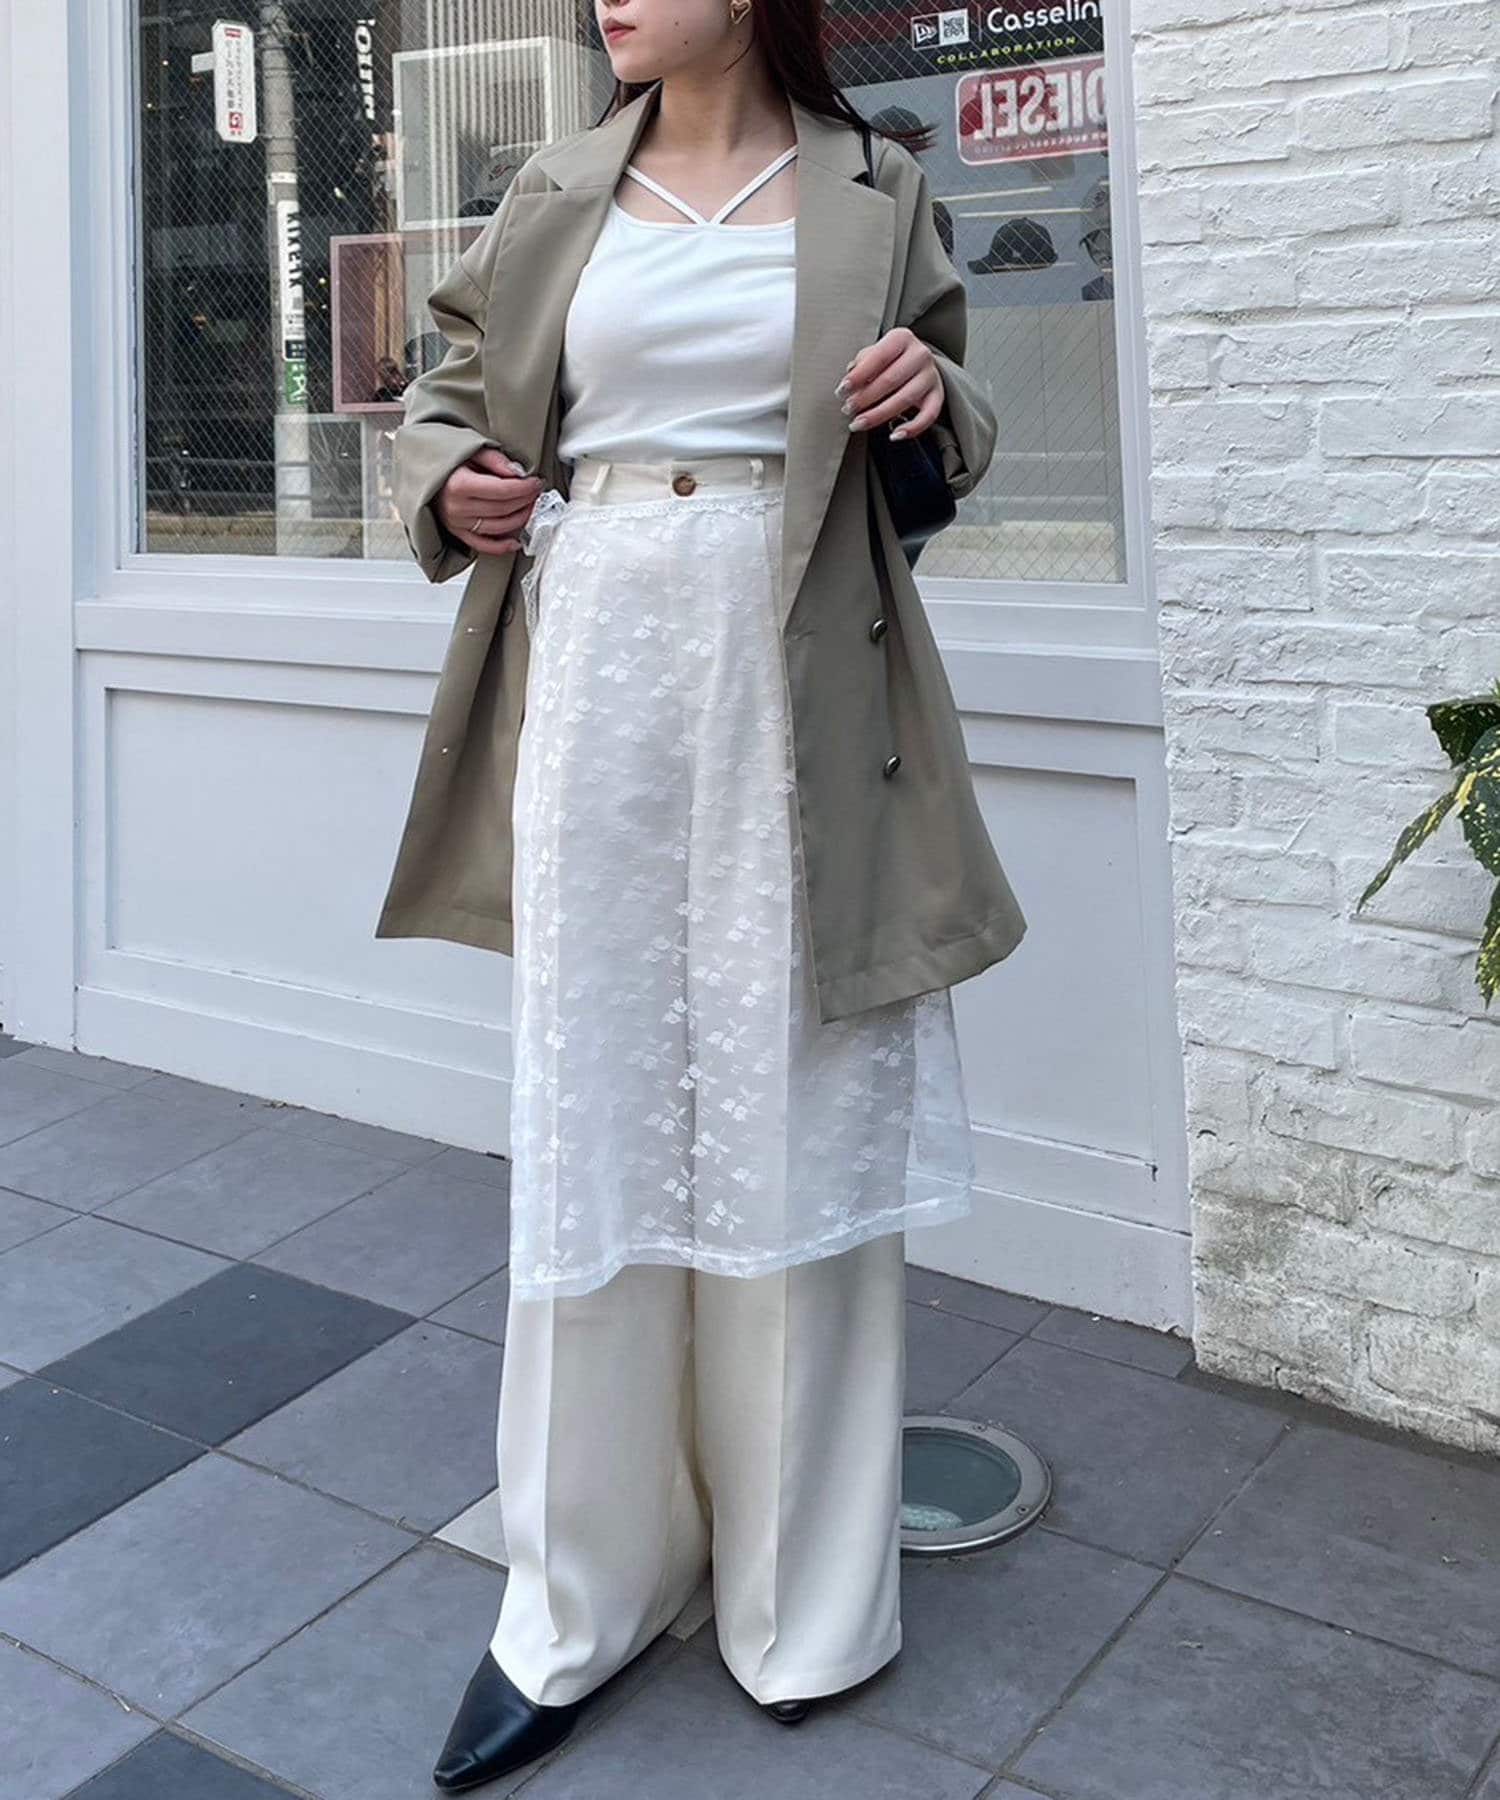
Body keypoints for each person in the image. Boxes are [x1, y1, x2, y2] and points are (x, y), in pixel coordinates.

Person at [392, 16, 1004, 1795]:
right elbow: (445, 395)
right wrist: (451, 480)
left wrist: (930, 394)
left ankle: (802, 1598)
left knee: (793, 1100)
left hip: (795, 666)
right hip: (596, 660)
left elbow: (959, 427)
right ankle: (577, 1594)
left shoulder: (874, 185)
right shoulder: (557, 183)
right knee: (597, 1109)